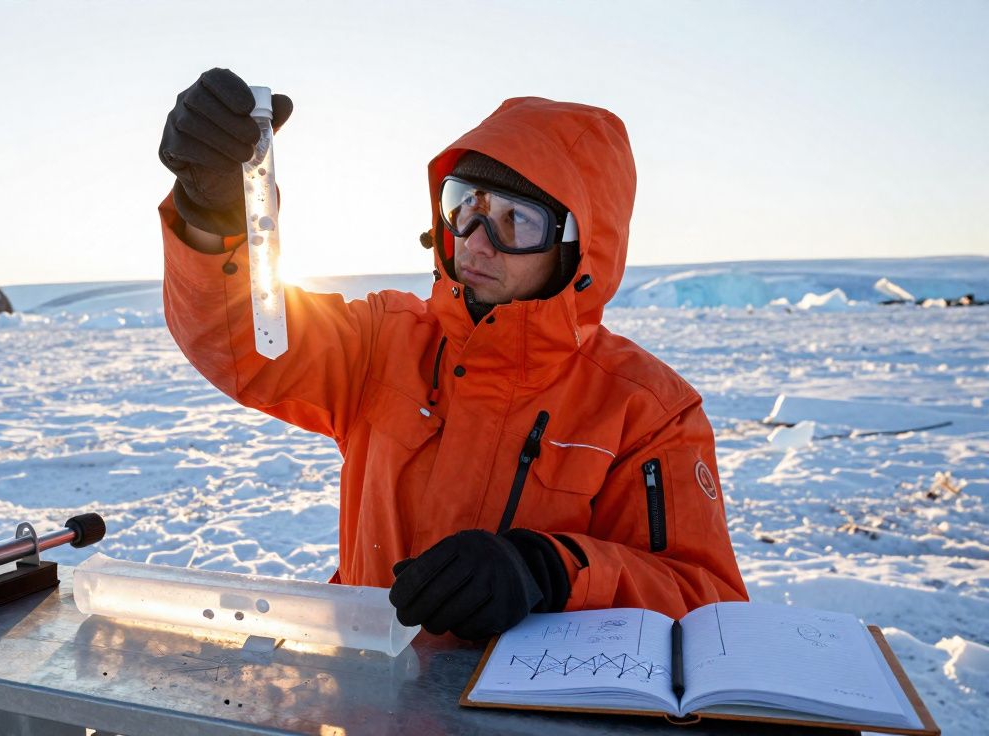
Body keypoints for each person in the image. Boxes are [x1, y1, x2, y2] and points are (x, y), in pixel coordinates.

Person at [157, 68, 748, 641]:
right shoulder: (384, 341)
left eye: (518, 221)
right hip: (368, 683)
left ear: (578, 247)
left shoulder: (647, 412)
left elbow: (706, 610)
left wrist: (550, 570)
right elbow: (244, 346)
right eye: (468, 205)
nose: (477, 241)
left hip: (524, 700)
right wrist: (211, 216)